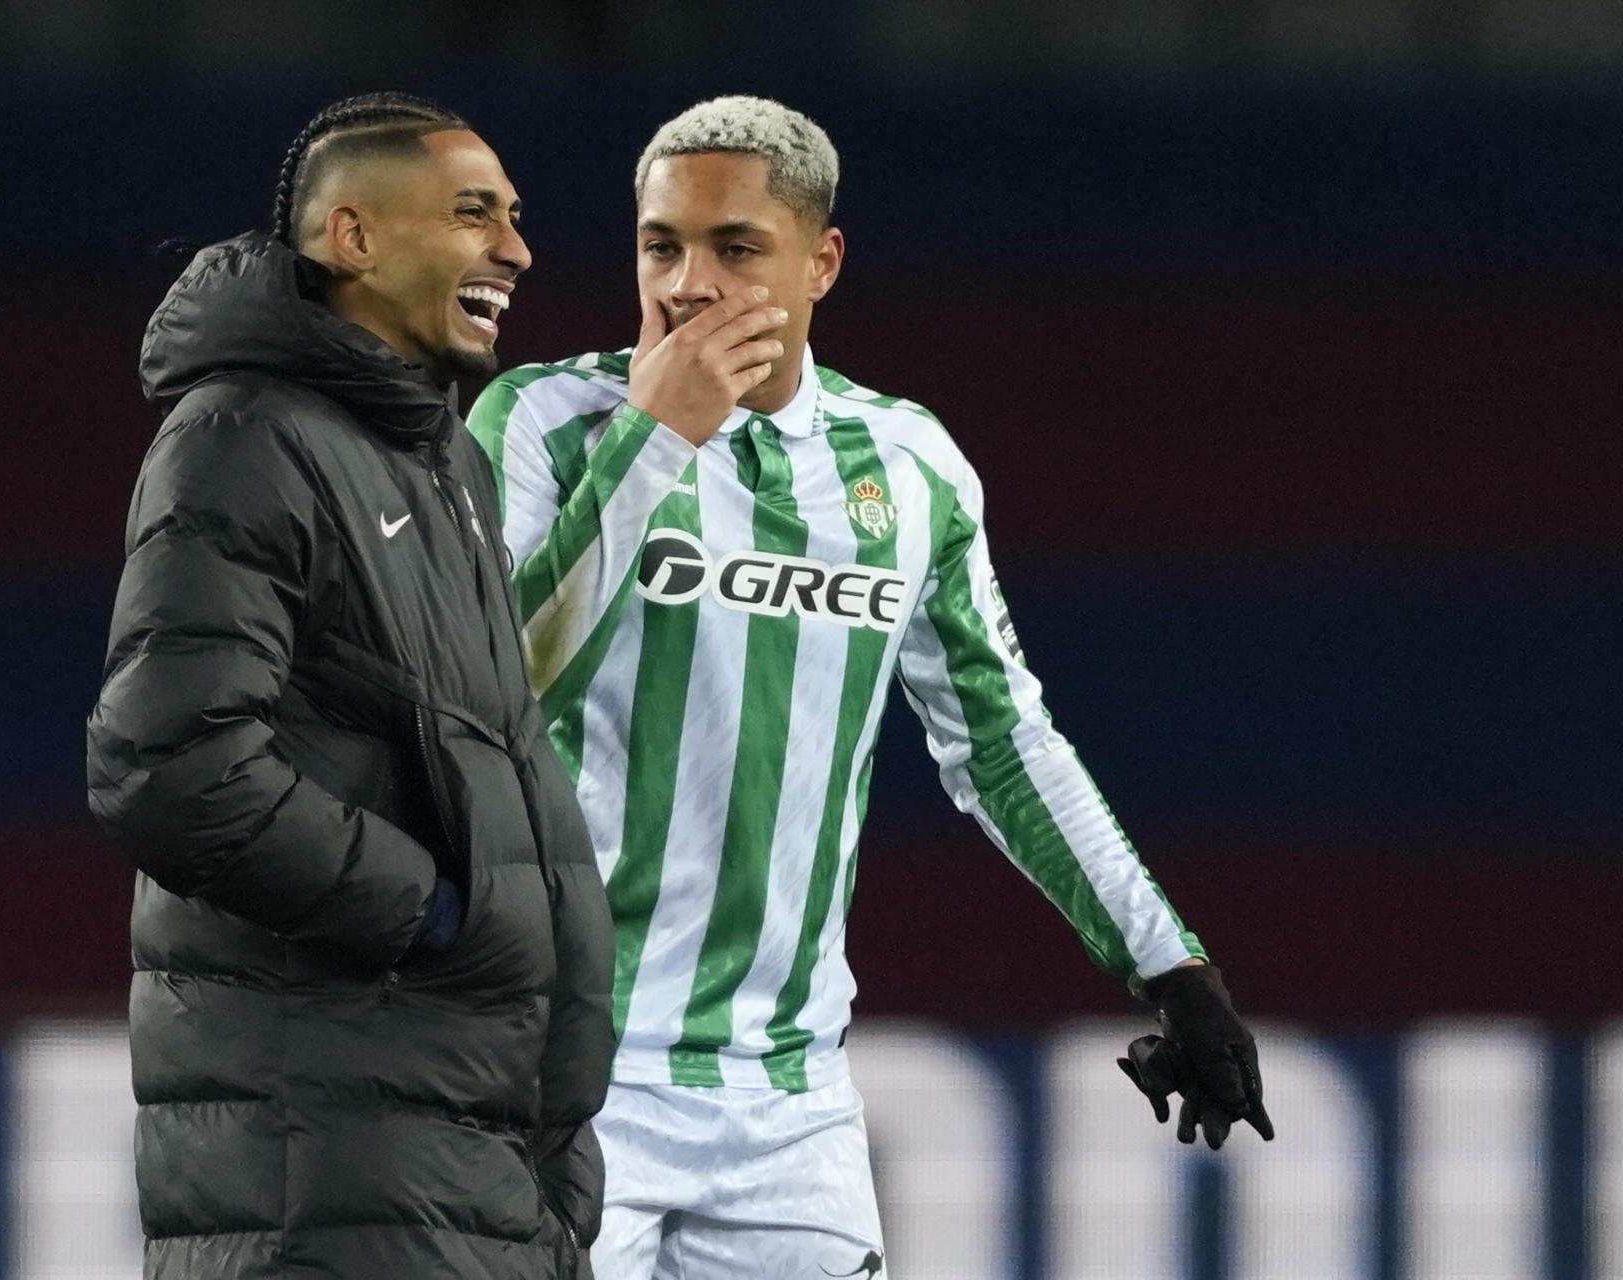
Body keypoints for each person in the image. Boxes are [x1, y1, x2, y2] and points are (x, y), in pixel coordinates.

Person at [467, 95, 1273, 1278]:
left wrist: (1174, 967)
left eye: (736, 249)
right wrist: (657, 439)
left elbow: (1002, 743)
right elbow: (492, 684)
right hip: (566, 1074)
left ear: (822, 262)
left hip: (793, 1106)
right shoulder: (538, 419)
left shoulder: (910, 464)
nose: (688, 284)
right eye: (661, 245)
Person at [86, 93, 613, 1280]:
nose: (517, 249)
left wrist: (555, 1152)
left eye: (517, 219)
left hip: (472, 1169)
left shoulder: (448, 465)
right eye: (475, 215)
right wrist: (431, 913)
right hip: (331, 1174)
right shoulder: (244, 436)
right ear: (352, 237)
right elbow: (168, 766)